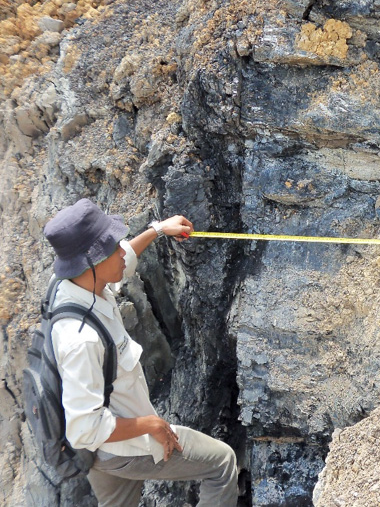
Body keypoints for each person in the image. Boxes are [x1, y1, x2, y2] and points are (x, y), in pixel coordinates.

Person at [42, 198, 238, 507]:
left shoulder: (70, 285)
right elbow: (84, 429)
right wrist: (152, 425)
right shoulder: (81, 340)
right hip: (120, 446)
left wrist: (157, 230)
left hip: (98, 454)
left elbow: (122, 262)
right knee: (222, 464)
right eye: (113, 247)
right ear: (91, 262)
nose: (122, 251)